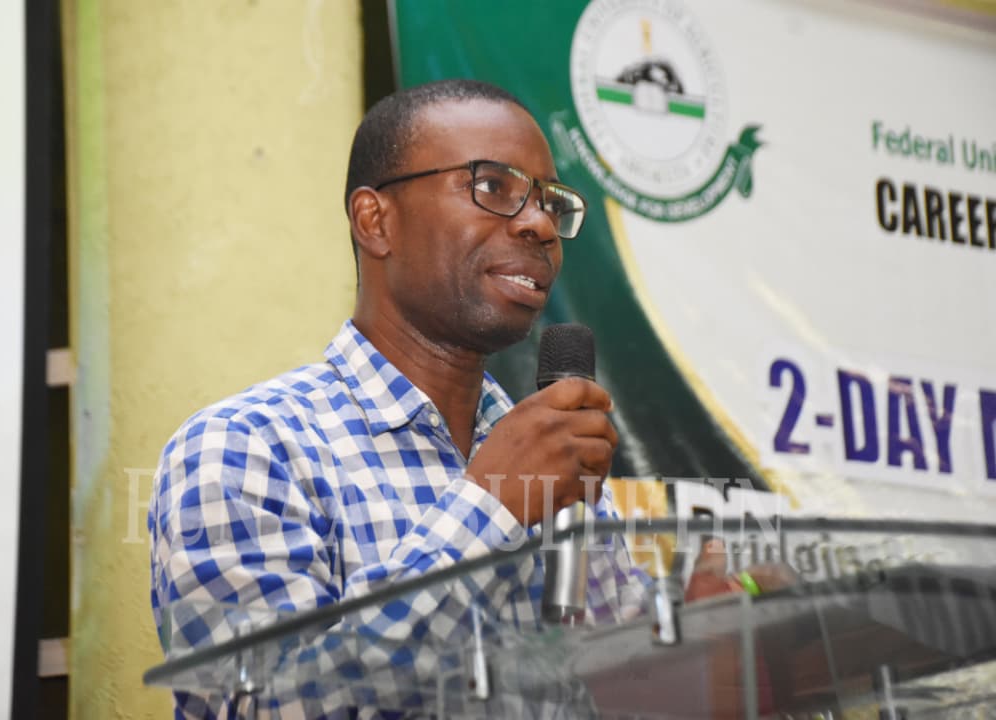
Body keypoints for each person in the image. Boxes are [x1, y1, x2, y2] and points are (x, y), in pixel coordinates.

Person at [149, 78, 778, 719]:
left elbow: (629, 694)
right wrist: (490, 508)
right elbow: (262, 703)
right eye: (493, 187)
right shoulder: (245, 447)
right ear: (376, 220)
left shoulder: (555, 461)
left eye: (550, 203)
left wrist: (703, 628)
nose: (539, 224)